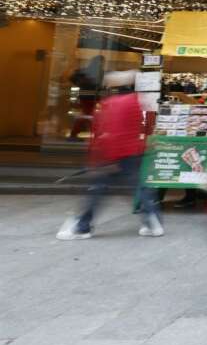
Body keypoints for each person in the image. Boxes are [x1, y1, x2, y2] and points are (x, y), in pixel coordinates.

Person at [57, 70, 163, 240]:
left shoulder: (113, 103)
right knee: (139, 187)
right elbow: (142, 127)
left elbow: (111, 131)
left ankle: (81, 227)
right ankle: (153, 221)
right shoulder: (136, 101)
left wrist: (105, 157)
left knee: (97, 190)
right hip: (133, 151)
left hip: (114, 154)